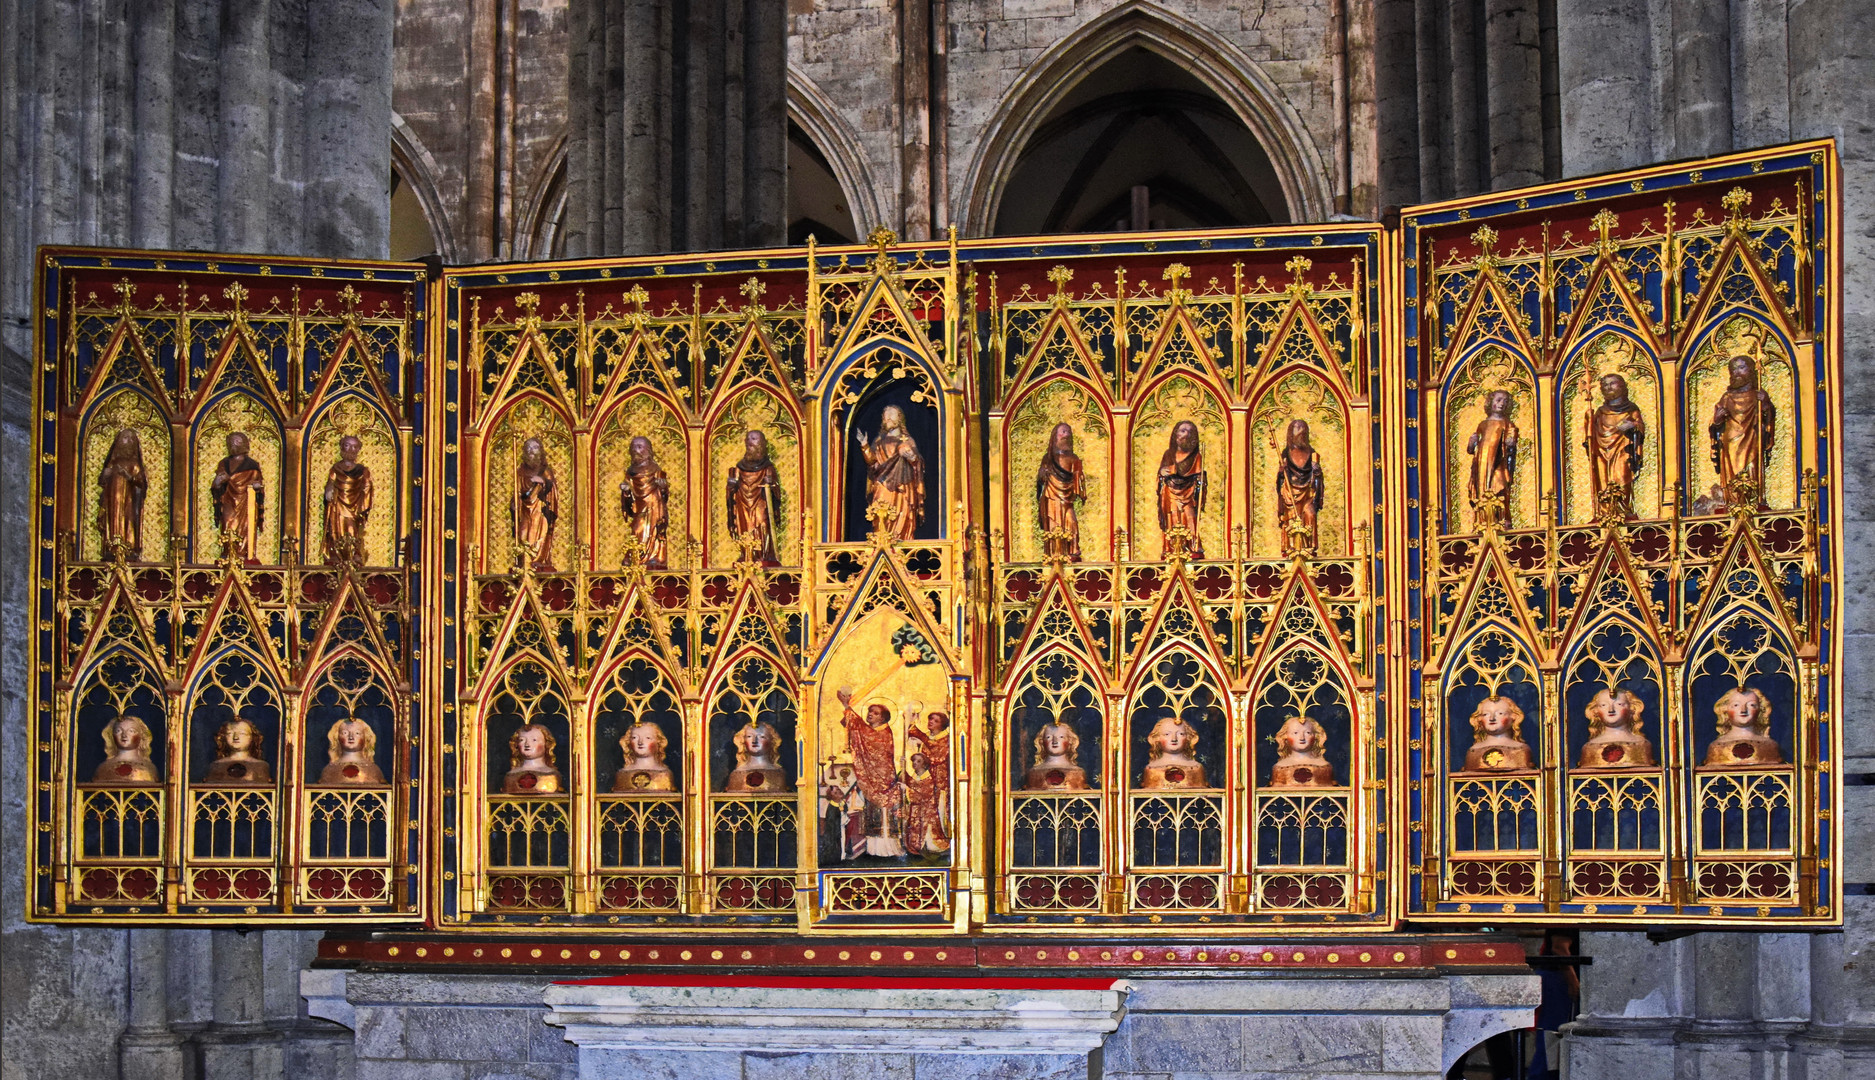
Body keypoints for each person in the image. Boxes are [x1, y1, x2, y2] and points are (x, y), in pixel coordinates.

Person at [834, 687, 905, 856]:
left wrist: (846, 705)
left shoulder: (884, 733)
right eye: (869, 711)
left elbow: (862, 731)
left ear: (883, 717)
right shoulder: (871, 731)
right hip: (872, 779)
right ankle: (874, 849)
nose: (870, 714)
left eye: (875, 713)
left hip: (884, 779)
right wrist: (847, 708)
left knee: (885, 813)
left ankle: (888, 849)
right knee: (872, 810)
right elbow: (857, 728)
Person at [1709, 353, 1776, 509]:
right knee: (1731, 470)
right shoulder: (1726, 397)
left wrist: (1765, 404)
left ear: (1751, 370)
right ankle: (1732, 500)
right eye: (1733, 369)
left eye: (1741, 368)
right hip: (1730, 441)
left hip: (1751, 438)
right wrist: (1718, 419)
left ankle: (1753, 498)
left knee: (1751, 465)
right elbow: (1715, 425)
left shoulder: (1758, 396)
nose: (1736, 372)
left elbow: (1767, 421)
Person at [857, 405, 924, 541]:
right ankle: (881, 542)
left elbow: (917, 462)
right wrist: (864, 445)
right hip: (882, 483)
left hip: (902, 485)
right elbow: (871, 461)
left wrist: (911, 457)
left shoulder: (907, 440)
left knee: (902, 512)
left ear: (899, 419)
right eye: (885, 416)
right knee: (881, 514)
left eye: (891, 415)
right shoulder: (879, 441)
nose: (887, 418)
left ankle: (901, 539)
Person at [1583, 372, 1644, 520]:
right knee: (1602, 481)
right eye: (1604, 385)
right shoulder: (1599, 412)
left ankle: (1623, 510)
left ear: (1622, 387)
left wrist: (1633, 426)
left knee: (1622, 477)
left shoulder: (1631, 409)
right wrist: (1589, 420)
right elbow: (1590, 435)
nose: (1608, 387)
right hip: (1601, 451)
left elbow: (1639, 426)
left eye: (1612, 383)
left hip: (1622, 449)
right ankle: (1603, 512)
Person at [725, 429, 782, 564]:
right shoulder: (739, 467)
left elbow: (776, 492)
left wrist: (771, 484)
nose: (750, 442)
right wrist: (731, 486)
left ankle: (764, 553)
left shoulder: (767, 467)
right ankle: (746, 553)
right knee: (744, 525)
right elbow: (731, 491)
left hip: (760, 501)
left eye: (754, 439)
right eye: (748, 439)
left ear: (761, 444)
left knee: (762, 522)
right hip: (742, 502)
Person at [1466, 390, 1518, 529]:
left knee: (1500, 486)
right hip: (1481, 463)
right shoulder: (1482, 424)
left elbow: (1511, 443)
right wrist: (1472, 442)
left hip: (1498, 462)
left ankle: (1502, 518)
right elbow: (1472, 448)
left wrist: (1510, 442)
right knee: (1482, 488)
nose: (1502, 404)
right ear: (1491, 402)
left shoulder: (1508, 424)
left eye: (1505, 401)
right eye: (1499, 400)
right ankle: (1482, 519)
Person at [210, 431, 266, 561]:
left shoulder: (252, 465)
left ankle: (245, 554)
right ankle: (229, 553)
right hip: (229, 500)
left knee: (246, 527)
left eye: (237, 442)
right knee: (228, 524)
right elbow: (218, 483)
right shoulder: (224, 463)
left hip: (246, 502)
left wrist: (257, 487)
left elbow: (258, 484)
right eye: (231, 442)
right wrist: (218, 482)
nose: (233, 445)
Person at [1035, 422, 1086, 560]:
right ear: (1055, 436)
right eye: (1062, 432)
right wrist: (1043, 474)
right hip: (1051, 496)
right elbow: (1041, 479)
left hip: (1067, 497)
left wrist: (1080, 486)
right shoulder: (1048, 458)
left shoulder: (1073, 458)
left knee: (1071, 522)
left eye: (1068, 432)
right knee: (1052, 524)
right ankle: (1053, 553)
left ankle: (1073, 551)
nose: (1066, 435)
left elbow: (1078, 477)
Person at [1155, 420, 1206, 557]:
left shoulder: (1197, 457)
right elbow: (1162, 474)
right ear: (1175, 434)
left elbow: (1198, 475)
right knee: (1172, 517)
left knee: (1189, 517)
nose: (1186, 434)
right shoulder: (1168, 454)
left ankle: (1192, 546)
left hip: (1188, 492)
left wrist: (1201, 482)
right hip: (1170, 491)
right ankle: (1170, 548)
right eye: (1183, 430)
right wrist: (1162, 473)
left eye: (1190, 431)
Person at [1275, 418, 1325, 556]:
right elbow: (1281, 479)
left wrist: (1317, 472)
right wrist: (1281, 472)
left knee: (1310, 514)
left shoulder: (1312, 453)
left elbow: (1317, 481)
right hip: (1290, 494)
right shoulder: (1285, 454)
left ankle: (1309, 547)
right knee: (1291, 519)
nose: (1299, 432)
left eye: (1302, 429)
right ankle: (1291, 548)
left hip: (1308, 494)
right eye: (1296, 429)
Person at [619, 435, 671, 568]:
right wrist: (625, 491)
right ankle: (635, 556)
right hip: (640, 508)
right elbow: (629, 498)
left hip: (655, 505)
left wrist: (662, 486)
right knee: (637, 529)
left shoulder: (655, 469)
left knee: (656, 529)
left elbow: (664, 494)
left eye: (640, 447)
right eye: (634, 447)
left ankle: (656, 556)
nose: (636, 450)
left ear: (648, 450)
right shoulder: (630, 472)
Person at [321, 434, 374, 564]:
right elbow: (331, 482)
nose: (350, 450)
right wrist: (329, 490)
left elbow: (367, 487)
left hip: (354, 505)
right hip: (338, 503)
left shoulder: (362, 470)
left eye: (354, 447)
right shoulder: (336, 468)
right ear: (342, 447)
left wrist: (362, 504)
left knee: (351, 529)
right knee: (336, 527)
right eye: (347, 445)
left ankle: (353, 552)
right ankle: (336, 552)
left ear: (358, 450)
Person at [97, 428, 149, 558]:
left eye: (131, 439)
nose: (128, 441)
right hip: (112, 498)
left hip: (128, 500)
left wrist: (129, 476)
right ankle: (112, 544)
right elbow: (102, 481)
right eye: (125, 438)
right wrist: (106, 474)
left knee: (127, 519)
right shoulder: (113, 462)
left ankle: (128, 546)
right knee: (113, 516)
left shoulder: (135, 464)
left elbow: (141, 482)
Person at [1701, 686, 1783, 767]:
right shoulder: (1717, 747)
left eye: (1751, 705)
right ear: (1725, 710)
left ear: (1760, 710)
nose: (1743, 710)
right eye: (1736, 705)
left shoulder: (1769, 746)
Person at [1576, 688, 1655, 769]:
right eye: (1603, 705)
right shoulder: (1590, 747)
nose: (1611, 710)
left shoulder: (1641, 744)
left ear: (1632, 709)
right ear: (1595, 711)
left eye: (1619, 704)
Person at [514, 437, 560, 571]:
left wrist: (542, 481)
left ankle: (538, 559)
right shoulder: (521, 471)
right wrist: (515, 503)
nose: (531, 451)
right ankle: (523, 560)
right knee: (523, 535)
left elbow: (552, 491)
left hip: (540, 510)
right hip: (525, 510)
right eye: (528, 448)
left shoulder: (545, 471)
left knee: (538, 535)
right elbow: (517, 492)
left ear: (540, 451)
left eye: (534, 448)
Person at [1461, 696, 1536, 772]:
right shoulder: (1473, 751)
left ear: (1513, 717)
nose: (1492, 718)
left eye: (1500, 713)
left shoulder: (1520, 750)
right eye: (1486, 714)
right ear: (1479, 719)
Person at [1139, 713, 1207, 789]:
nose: (1174, 739)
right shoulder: (1151, 769)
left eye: (1180, 734)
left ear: (1188, 738)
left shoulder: (1196, 767)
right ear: (1157, 738)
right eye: (1167, 734)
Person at [1269, 715, 1337, 787]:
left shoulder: (1324, 767)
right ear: (1285, 737)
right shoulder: (1280, 768)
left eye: (1307, 733)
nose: (1302, 738)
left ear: (1316, 736)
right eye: (1295, 733)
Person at [723, 720, 789, 792]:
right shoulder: (736, 774)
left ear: (772, 741)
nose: (754, 741)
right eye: (749, 736)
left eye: (762, 737)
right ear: (743, 741)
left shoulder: (778, 774)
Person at [92, 715, 159, 784]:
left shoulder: (148, 769)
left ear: (141, 736)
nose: (124, 735)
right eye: (118, 731)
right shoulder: (103, 769)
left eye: (131, 731)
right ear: (111, 736)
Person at [1022, 720, 1090, 790]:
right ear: (1041, 742)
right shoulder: (1034, 773)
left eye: (1061, 737)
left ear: (1070, 741)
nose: (1055, 741)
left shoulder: (1077, 773)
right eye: (1049, 737)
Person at [203, 718, 272, 785]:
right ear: (223, 737)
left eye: (242, 733)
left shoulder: (260, 766)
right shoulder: (215, 766)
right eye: (230, 733)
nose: (236, 737)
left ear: (252, 737)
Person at [613, 720, 676, 791]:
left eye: (648, 738)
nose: (640, 742)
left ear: (658, 742)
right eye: (634, 738)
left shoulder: (664, 774)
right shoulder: (622, 775)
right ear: (628, 742)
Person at [319, 717, 385, 784]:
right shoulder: (329, 771)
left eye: (357, 733)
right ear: (337, 738)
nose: (351, 737)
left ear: (366, 738)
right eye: (345, 733)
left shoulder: (373, 770)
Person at [501, 723, 564, 794]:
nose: (527, 744)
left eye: (534, 740)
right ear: (516, 745)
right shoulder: (510, 776)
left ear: (546, 744)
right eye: (522, 740)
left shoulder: (552, 775)